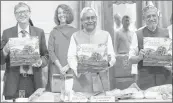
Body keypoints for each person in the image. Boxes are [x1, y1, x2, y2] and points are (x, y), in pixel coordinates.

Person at [0, 2, 49, 100]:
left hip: (34, 82)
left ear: (30, 13)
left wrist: (40, 62)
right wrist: (5, 50)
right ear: (15, 15)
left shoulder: (39, 32)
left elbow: (46, 56)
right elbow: (1, 61)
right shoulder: (7, 33)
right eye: (18, 12)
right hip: (13, 83)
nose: (22, 14)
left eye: (25, 11)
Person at [67, 7, 116, 93]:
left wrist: (108, 62)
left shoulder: (106, 35)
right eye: (87, 18)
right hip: (82, 82)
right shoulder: (75, 36)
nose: (90, 20)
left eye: (93, 18)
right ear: (82, 21)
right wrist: (79, 68)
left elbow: (112, 57)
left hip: (101, 82)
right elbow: (71, 57)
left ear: (96, 19)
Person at [129, 5, 172, 90]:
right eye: (148, 16)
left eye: (154, 15)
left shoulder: (167, 32)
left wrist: (169, 60)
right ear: (144, 19)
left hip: (165, 79)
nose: (152, 18)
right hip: (146, 81)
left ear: (158, 17)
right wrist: (139, 57)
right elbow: (130, 59)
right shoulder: (137, 34)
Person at [46, 4, 77, 93]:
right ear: (57, 16)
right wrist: (60, 67)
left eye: (64, 12)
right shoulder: (53, 32)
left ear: (68, 14)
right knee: (56, 94)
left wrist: (67, 67)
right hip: (56, 68)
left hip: (70, 68)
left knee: (70, 94)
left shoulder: (75, 32)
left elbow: (77, 52)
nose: (61, 15)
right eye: (59, 13)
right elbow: (51, 51)